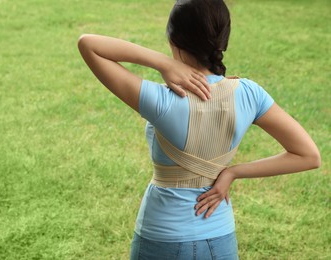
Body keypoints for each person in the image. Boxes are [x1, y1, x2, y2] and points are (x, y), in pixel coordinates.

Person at [77, 0, 321, 259]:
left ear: (173, 39)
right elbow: (308, 156)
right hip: (219, 237)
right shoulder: (250, 94)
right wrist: (233, 172)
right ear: (222, 40)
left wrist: (162, 62)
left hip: (161, 236)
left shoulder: (162, 100)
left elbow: (88, 44)